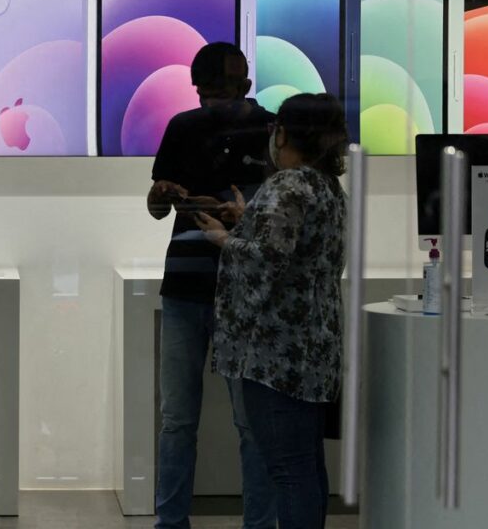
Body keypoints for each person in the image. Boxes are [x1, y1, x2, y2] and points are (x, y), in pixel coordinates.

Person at [195, 93, 349, 529]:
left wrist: (226, 241)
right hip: (315, 351)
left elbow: (267, 261)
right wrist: (250, 218)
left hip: (275, 358)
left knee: (287, 470)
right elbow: (295, 250)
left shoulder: (286, 185)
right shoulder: (326, 188)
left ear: (283, 133)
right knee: (307, 467)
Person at [146, 42, 276, 529]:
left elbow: (280, 208)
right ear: (200, 88)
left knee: (245, 424)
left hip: (242, 286)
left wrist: (240, 215)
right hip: (188, 285)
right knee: (180, 420)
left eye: (234, 83)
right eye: (219, 85)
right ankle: (171, 522)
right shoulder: (184, 128)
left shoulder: (268, 129)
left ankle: (255, 524)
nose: (228, 93)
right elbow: (158, 207)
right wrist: (162, 193)